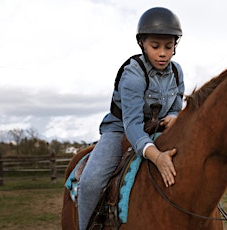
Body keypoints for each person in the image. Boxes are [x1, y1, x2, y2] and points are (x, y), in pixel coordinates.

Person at [77, 7, 184, 230]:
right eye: (155, 46)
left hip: (158, 129)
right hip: (121, 130)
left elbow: (176, 106)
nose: (163, 53)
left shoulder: (176, 72)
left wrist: (174, 117)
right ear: (142, 44)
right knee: (91, 182)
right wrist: (157, 157)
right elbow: (132, 125)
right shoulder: (133, 74)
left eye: (169, 46)